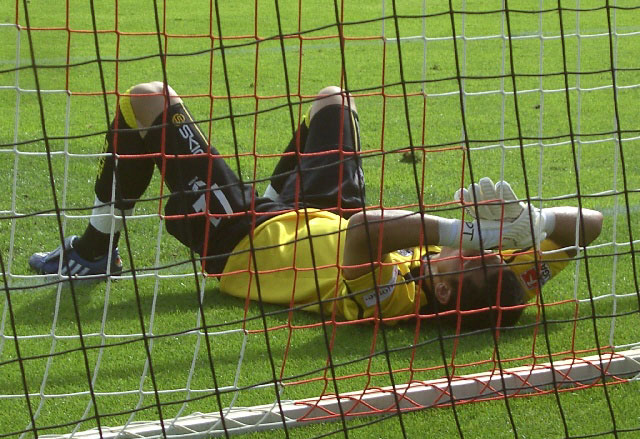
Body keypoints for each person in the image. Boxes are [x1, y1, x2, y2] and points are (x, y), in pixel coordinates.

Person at [29, 82, 603, 326]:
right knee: (335, 102)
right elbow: (592, 226)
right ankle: (279, 191)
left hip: (246, 242)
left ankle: (95, 250)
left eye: (479, 257)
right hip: (324, 214)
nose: (493, 252)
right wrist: (533, 223)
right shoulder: (501, 285)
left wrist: (469, 233)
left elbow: (369, 232)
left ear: (448, 290)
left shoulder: (392, 301)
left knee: (149, 100)